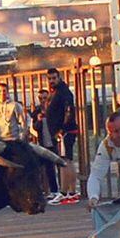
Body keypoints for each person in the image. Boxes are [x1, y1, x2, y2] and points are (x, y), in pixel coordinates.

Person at [45, 68, 79, 203]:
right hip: (62, 130)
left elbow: (69, 111)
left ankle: (65, 192)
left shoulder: (63, 92)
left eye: (54, 78)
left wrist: (62, 129)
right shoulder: (56, 92)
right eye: (50, 78)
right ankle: (71, 192)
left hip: (65, 131)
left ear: (59, 77)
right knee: (67, 160)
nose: (52, 81)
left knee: (65, 161)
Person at [30, 89, 63, 201]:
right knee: (47, 168)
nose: (43, 100)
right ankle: (52, 190)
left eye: (45, 98)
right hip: (43, 142)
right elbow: (34, 127)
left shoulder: (54, 109)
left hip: (55, 141)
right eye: (40, 98)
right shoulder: (37, 111)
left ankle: (62, 190)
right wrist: (39, 120)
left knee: (60, 164)